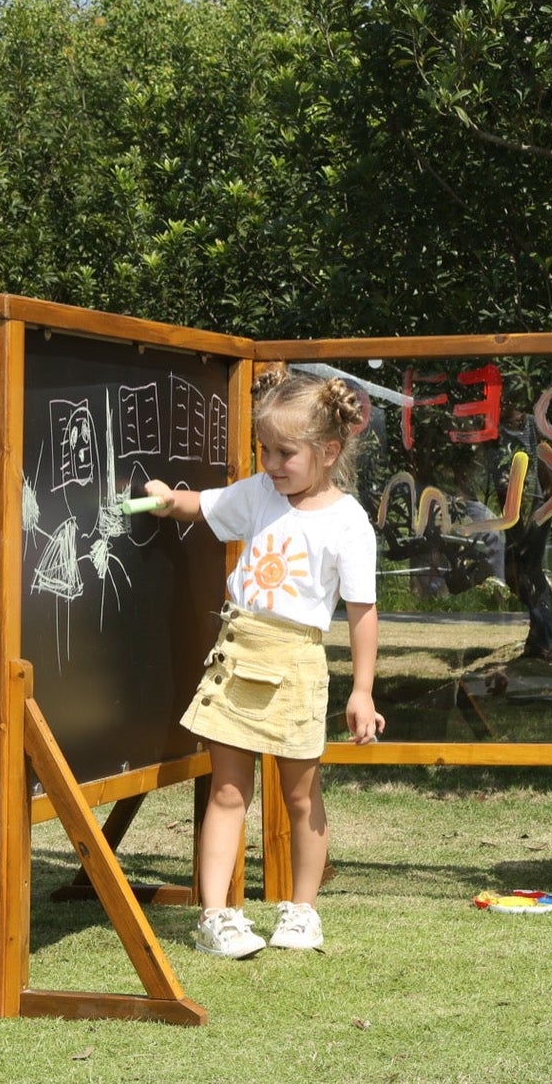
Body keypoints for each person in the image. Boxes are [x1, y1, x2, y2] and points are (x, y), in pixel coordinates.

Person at [142, 369, 384, 959]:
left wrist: (363, 691)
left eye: (285, 453)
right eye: (265, 450)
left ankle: (302, 911)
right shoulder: (258, 493)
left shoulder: (348, 521)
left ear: (329, 452)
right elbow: (203, 505)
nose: (271, 464)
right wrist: (170, 501)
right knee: (228, 792)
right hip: (240, 650)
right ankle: (216, 917)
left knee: (300, 797)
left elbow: (362, 611)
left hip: (297, 661)